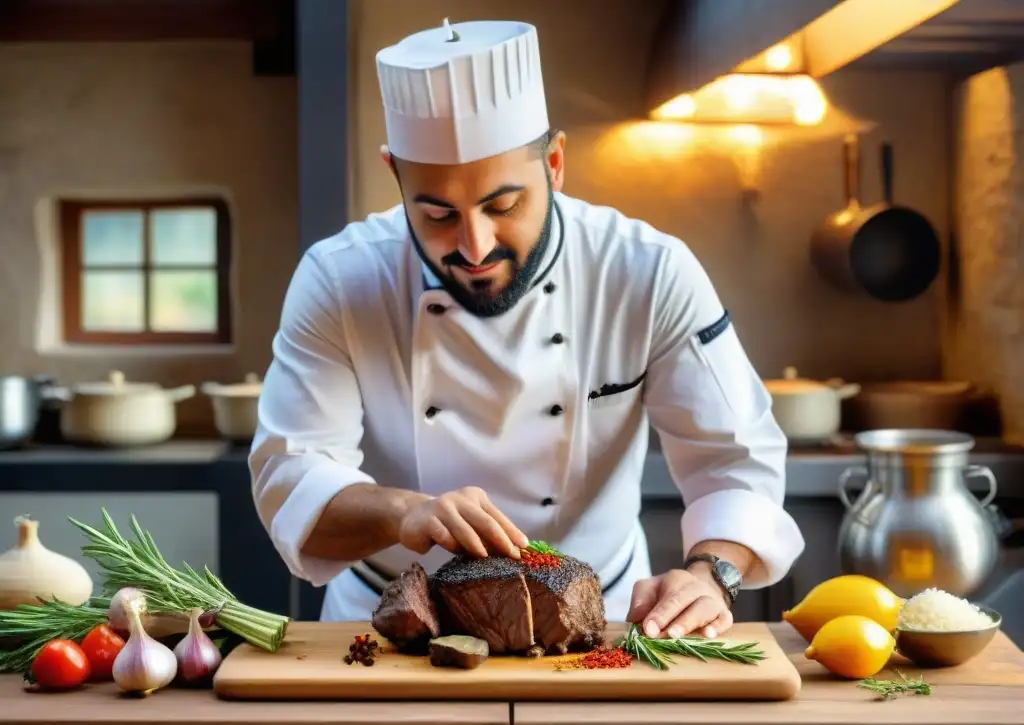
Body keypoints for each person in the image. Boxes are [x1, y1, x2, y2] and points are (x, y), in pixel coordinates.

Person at [250, 18, 805, 641]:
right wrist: (405, 512)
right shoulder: (339, 280)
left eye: (503, 205)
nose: (474, 245)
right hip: (394, 626)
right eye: (436, 214)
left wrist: (710, 576)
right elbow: (291, 477)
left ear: (556, 164)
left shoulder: (645, 271)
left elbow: (736, 460)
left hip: (600, 620)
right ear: (395, 176)